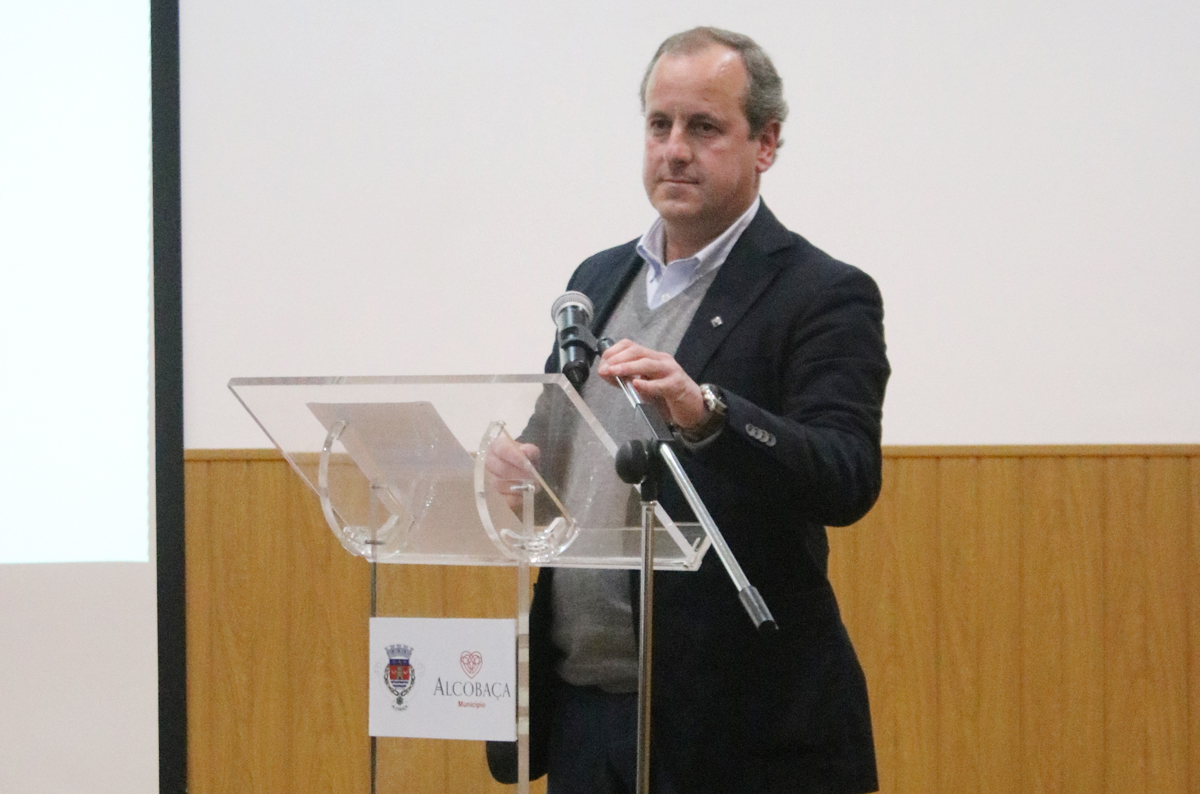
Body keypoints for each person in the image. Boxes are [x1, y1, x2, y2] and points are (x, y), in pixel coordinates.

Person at [488, 26, 889, 794]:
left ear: (766, 143)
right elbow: (559, 454)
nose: (674, 150)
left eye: (703, 127)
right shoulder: (597, 278)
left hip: (737, 726)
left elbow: (846, 475)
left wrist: (708, 415)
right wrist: (516, 471)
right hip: (585, 711)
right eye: (659, 124)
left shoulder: (821, 293)